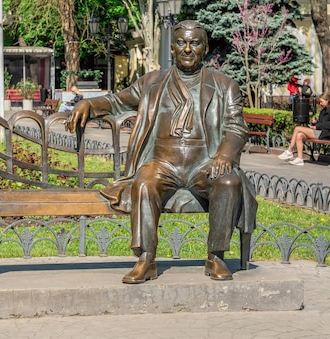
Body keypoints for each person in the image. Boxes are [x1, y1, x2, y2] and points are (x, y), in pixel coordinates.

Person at [66, 20, 257, 284]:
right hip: (162, 162)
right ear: (173, 48)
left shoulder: (225, 86)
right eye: (181, 43)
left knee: (228, 181)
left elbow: (236, 127)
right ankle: (146, 259)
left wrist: (224, 155)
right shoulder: (152, 82)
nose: (187, 49)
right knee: (144, 183)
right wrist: (89, 103)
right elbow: (116, 101)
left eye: (194, 43)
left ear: (205, 48)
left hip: (203, 163)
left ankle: (216, 256)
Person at [278, 93, 330, 166]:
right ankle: (300, 159)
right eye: (320, 102)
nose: (320, 103)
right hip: (319, 132)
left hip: (326, 134)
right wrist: (315, 123)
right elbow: (321, 123)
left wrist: (317, 126)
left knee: (297, 128)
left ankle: (289, 150)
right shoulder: (323, 111)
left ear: (327, 101)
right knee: (299, 135)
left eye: (321, 102)